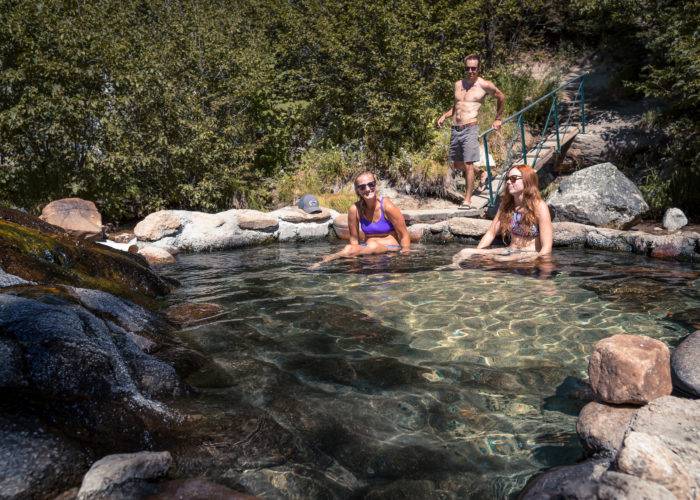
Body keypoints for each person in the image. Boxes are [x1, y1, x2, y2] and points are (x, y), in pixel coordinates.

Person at [436, 54, 505, 209]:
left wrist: (498, 119)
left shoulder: (484, 85)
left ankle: (467, 199)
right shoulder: (458, 84)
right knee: (456, 164)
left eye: (474, 68)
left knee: (468, 164)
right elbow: (458, 105)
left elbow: (501, 97)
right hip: (455, 128)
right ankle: (481, 173)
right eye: (467, 68)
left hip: (470, 128)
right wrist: (445, 116)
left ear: (479, 68)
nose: (470, 71)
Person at [450, 164, 553, 265]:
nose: (508, 182)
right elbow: (491, 233)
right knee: (465, 252)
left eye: (513, 178)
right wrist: (478, 254)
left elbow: (547, 248)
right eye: (507, 179)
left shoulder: (539, 207)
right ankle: (452, 270)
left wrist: (542, 271)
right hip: (510, 251)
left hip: (530, 255)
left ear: (527, 181)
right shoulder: (506, 205)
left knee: (500, 259)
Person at [311, 171, 411, 268]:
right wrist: (355, 263)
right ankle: (332, 258)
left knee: (363, 247)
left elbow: (404, 235)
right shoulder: (355, 210)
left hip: (391, 249)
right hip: (368, 248)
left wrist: (404, 258)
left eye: (371, 184)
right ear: (357, 190)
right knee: (355, 249)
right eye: (362, 187)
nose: (367, 189)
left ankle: (328, 258)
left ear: (375, 185)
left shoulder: (387, 206)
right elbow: (354, 239)